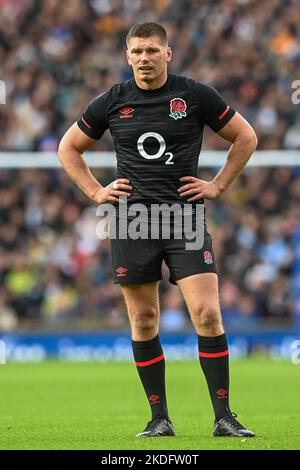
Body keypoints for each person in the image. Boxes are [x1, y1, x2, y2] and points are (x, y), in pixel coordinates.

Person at [58, 22, 257, 438]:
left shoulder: (195, 95)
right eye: (136, 52)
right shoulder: (113, 101)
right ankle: (159, 419)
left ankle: (223, 416)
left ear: (168, 53)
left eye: (151, 50)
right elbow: (68, 147)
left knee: (207, 314)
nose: (144, 58)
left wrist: (218, 185)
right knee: (144, 320)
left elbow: (245, 137)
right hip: (132, 221)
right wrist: (95, 191)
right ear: (127, 56)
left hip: (184, 216)